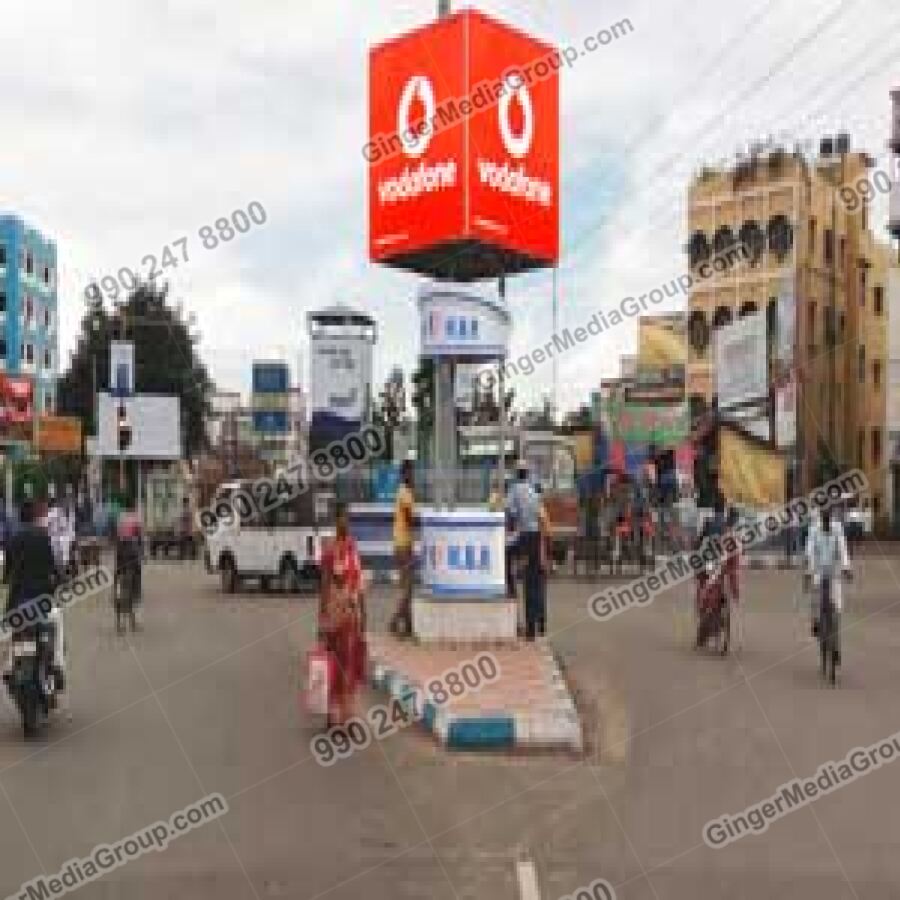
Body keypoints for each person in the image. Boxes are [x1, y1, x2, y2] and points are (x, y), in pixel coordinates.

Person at [3, 500, 67, 710]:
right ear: (34, 517)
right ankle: (57, 666)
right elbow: (53, 567)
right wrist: (60, 581)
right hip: (42, 601)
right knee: (57, 627)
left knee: (12, 635)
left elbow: (7, 573)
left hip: (18, 602)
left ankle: (10, 667)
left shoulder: (13, 539)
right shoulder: (42, 537)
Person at [319, 504, 366, 725]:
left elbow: (359, 583)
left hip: (351, 616)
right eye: (341, 518)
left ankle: (347, 717)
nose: (345, 523)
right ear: (335, 521)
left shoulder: (353, 549)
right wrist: (322, 619)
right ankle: (332, 715)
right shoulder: (330, 551)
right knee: (333, 665)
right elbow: (325, 584)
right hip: (334, 615)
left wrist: (363, 615)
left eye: (347, 519)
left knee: (351, 665)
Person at [507, 461, 541, 640]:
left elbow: (511, 515)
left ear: (516, 473)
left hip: (523, 538)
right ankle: (534, 628)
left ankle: (510, 588)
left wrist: (510, 532)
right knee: (533, 583)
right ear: (526, 473)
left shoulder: (514, 491)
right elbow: (538, 514)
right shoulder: (533, 490)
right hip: (535, 537)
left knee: (506, 559)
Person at [805, 506, 850, 641]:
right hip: (818, 569)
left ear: (831, 516)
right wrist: (809, 570)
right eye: (823, 515)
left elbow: (842, 548)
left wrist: (846, 567)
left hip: (834, 570)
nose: (826, 520)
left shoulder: (837, 528)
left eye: (828, 516)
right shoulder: (814, 529)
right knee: (815, 596)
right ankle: (816, 622)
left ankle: (835, 634)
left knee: (837, 601)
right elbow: (810, 551)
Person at [390, 459, 415, 637]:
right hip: (403, 544)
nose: (412, 476)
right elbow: (408, 519)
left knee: (408, 586)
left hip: (402, 543)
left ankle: (408, 626)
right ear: (405, 474)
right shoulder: (405, 493)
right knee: (407, 587)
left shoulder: (404, 492)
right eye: (410, 472)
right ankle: (395, 621)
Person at [114, 507, 143, 633]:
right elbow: (139, 544)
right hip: (131, 567)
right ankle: (131, 622)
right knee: (132, 594)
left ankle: (121, 623)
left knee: (121, 595)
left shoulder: (121, 518)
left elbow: (118, 557)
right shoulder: (135, 519)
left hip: (122, 567)